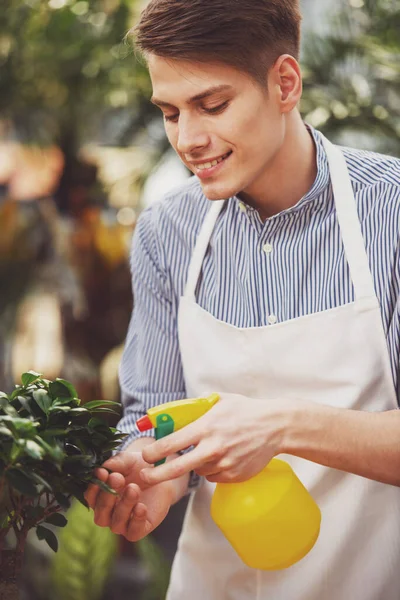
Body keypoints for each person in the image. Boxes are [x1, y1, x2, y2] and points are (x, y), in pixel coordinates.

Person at [85, 1, 400, 598]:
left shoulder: (394, 214)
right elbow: (150, 413)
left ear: (284, 83)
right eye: (170, 112)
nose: (188, 140)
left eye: (213, 105)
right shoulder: (165, 233)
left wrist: (279, 425)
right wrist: (154, 480)